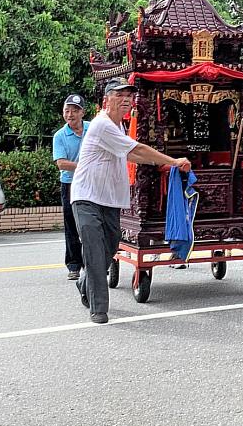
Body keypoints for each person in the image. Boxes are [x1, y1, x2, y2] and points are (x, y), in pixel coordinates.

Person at [71, 78, 190, 324]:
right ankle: (99, 308)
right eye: (119, 95)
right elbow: (138, 151)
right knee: (94, 250)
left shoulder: (120, 128)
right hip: (86, 197)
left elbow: (137, 156)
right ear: (106, 101)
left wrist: (165, 165)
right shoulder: (101, 125)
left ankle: (86, 282)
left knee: (109, 249)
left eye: (129, 95)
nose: (126, 99)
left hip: (110, 200)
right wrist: (173, 160)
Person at [52, 94, 90, 280]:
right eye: (67, 111)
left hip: (92, 183)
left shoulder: (92, 129)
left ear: (82, 112)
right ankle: (74, 265)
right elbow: (61, 163)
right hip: (70, 184)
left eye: (75, 110)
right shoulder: (60, 136)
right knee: (72, 225)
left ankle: (94, 264)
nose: (70, 114)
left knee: (91, 225)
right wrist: (86, 168)